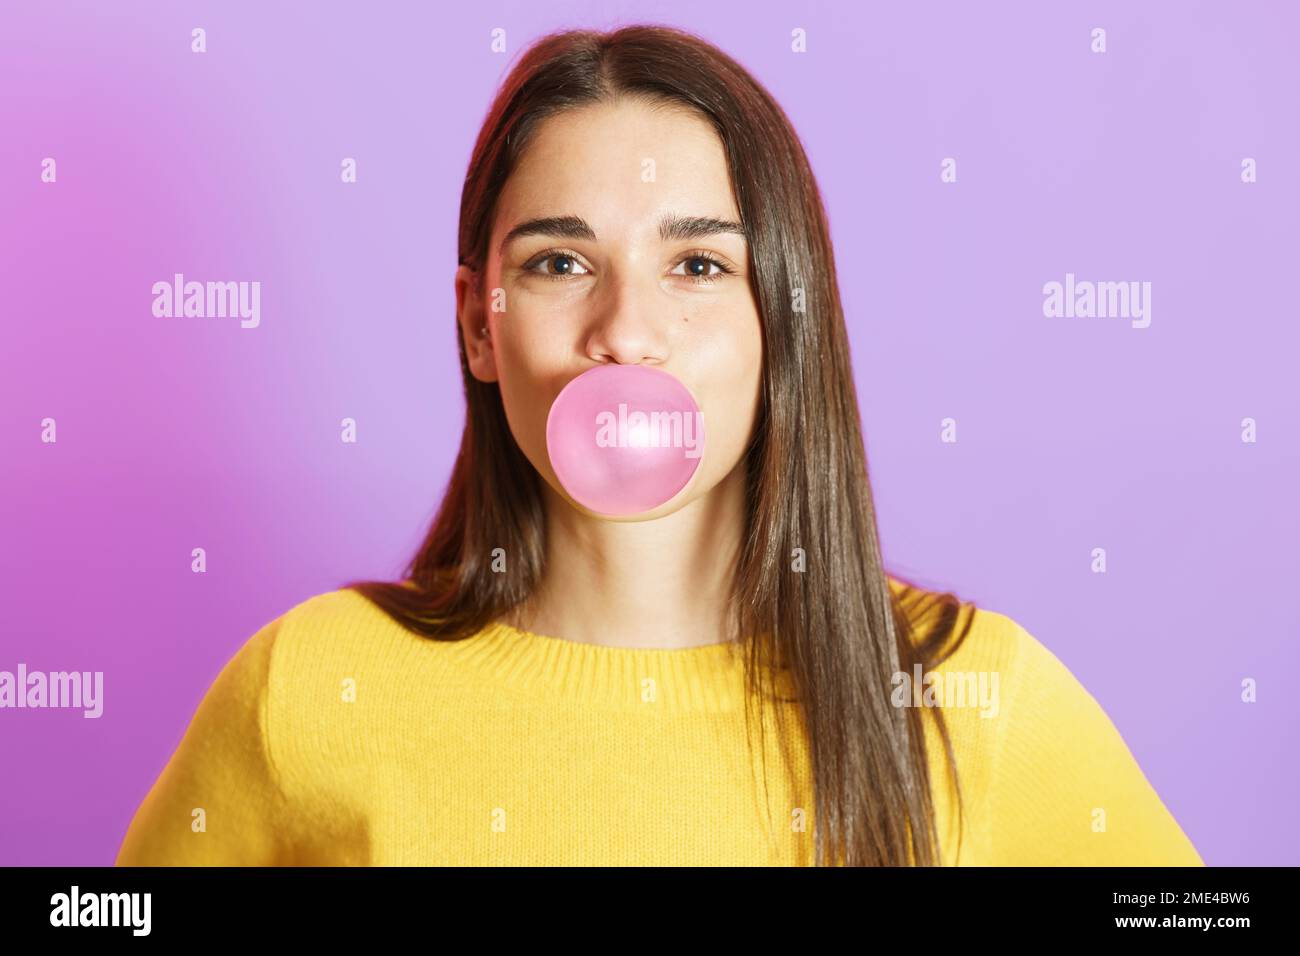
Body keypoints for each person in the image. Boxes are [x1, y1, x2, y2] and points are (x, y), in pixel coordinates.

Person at [116, 24, 1203, 867]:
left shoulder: (968, 693)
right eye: (557, 261)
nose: (627, 331)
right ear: (476, 325)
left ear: (787, 319)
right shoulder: (309, 686)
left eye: (697, 266)